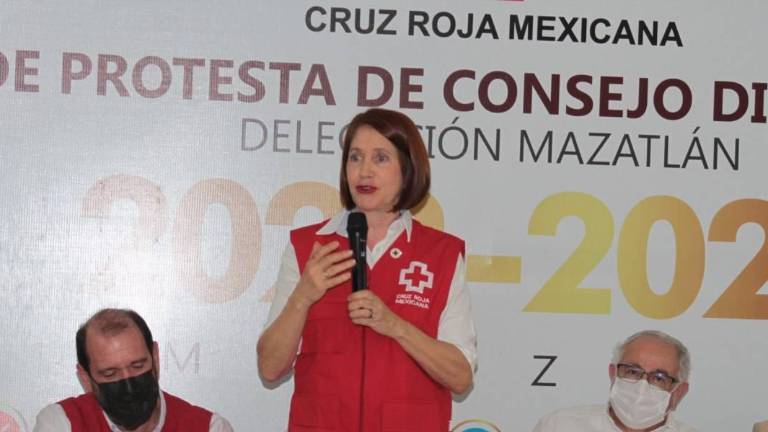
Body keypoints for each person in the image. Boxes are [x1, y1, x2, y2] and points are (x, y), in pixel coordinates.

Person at [257, 108, 477, 431]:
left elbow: (460, 377)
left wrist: (396, 326)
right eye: (355, 158)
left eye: (381, 158)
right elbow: (270, 367)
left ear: (407, 169)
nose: (364, 171)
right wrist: (302, 297)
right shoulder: (309, 248)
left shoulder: (441, 254)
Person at [34, 308, 233, 432]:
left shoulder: (208, 428)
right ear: (86, 378)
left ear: (155, 357)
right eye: (110, 373)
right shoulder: (61, 423)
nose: (128, 385)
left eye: (137, 366)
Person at [533, 330, 696, 432]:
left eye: (659, 378)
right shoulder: (559, 426)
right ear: (613, 374)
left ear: (679, 392)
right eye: (633, 371)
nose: (642, 386)